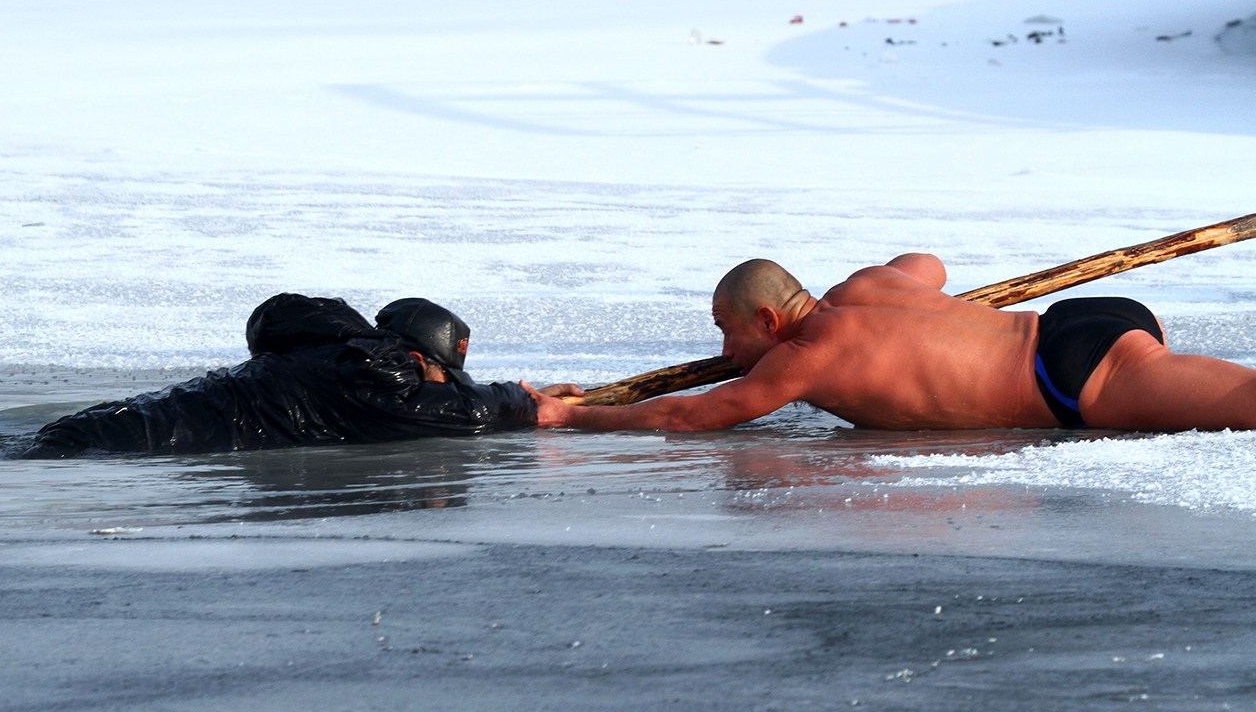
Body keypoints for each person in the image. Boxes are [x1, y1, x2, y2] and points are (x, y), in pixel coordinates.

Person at [524, 254, 1256, 433]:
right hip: (1080, 321)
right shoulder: (867, 286)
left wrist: (573, 417)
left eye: (726, 330)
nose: (721, 347)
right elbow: (928, 267)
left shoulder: (808, 357)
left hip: (1071, 375)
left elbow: (692, 417)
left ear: (770, 323)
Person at [20, 294, 574, 458]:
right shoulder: (370, 367)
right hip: (110, 447)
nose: (441, 386)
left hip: (99, 433)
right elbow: (456, 411)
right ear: (418, 357)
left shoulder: (326, 362)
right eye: (440, 373)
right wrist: (523, 403)